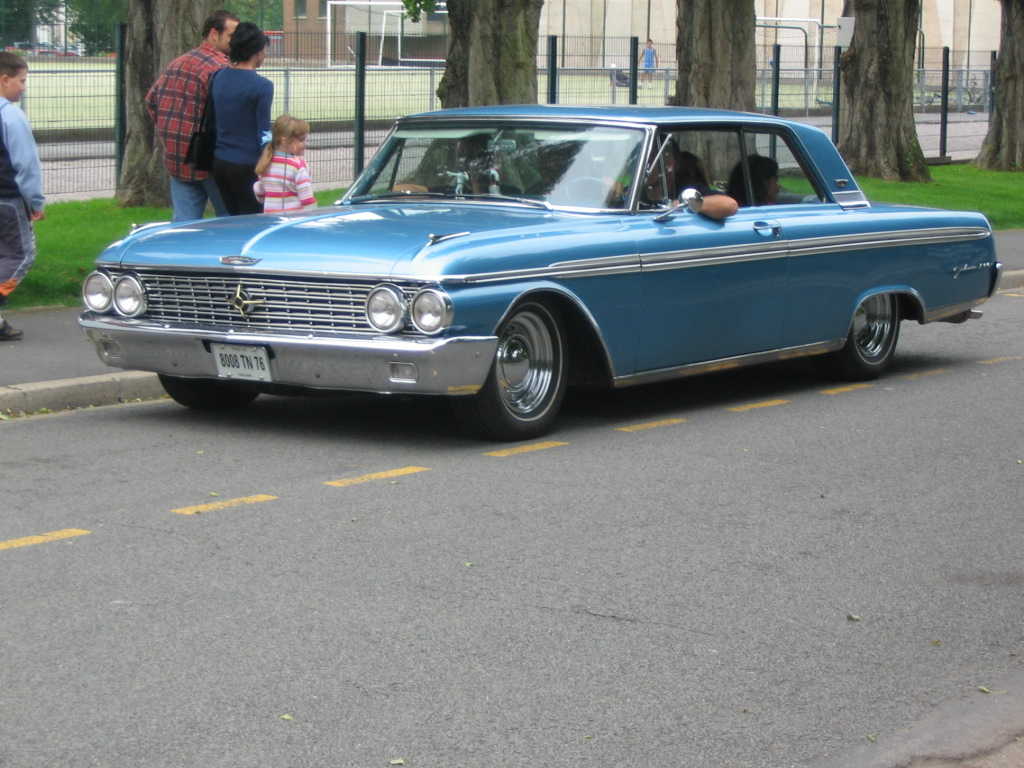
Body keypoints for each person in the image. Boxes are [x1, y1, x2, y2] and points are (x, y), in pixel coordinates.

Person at [146, 9, 238, 222]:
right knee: (231, 221)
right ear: (214, 34)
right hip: (210, 159)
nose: (236, 42)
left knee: (184, 226)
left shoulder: (177, 62)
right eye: (232, 36)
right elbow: (227, 117)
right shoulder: (221, 68)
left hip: (176, 157)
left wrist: (170, 135)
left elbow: (152, 100)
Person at [0, 52, 44, 341]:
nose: (24, 87)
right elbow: (26, 165)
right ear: (5, 80)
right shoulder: (11, 115)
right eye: (22, 80)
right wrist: (36, 201)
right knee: (22, 254)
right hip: (8, 199)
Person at [211, 22, 273, 215]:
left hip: (220, 162)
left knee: (231, 218)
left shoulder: (218, 76)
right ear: (258, 51)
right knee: (253, 220)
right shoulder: (262, 86)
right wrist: (271, 161)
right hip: (248, 165)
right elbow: (263, 132)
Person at [254, 114, 317, 213]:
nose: (306, 143)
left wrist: (257, 186)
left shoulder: (266, 162)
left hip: (272, 221)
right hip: (293, 222)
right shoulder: (298, 166)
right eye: (302, 140)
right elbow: (307, 200)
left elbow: (260, 195)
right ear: (285, 141)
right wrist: (314, 217)